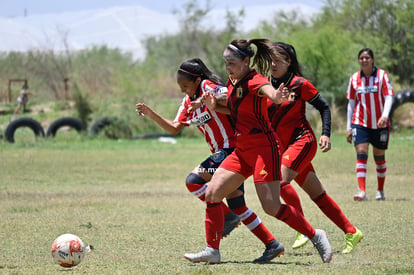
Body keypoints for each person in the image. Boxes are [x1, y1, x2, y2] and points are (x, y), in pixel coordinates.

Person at [184, 39, 333, 264]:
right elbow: (232, 109)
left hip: (265, 149)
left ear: (246, 61)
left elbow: (269, 92)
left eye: (231, 62)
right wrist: (214, 105)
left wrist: (277, 96)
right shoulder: (234, 81)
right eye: (225, 62)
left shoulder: (256, 81)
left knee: (272, 207)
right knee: (213, 194)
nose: (227, 66)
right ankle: (212, 250)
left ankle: (315, 234)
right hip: (242, 150)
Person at [136, 58, 285, 263]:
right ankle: (272, 244)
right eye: (180, 87)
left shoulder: (209, 88)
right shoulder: (188, 102)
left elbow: (234, 99)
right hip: (224, 155)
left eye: (186, 86)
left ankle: (225, 220)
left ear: (198, 80)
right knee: (238, 205)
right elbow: (174, 128)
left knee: (193, 181)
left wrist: (215, 99)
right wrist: (151, 114)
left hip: (232, 149)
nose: (183, 90)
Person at [263, 41, 363, 254]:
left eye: (278, 60)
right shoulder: (266, 86)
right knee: (318, 196)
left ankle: (301, 227)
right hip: (284, 148)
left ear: (288, 62)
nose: (273, 64)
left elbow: (324, 107)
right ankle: (351, 231)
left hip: (303, 141)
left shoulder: (300, 84)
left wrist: (326, 133)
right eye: (270, 60)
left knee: (280, 180)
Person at [346, 48, 394, 201]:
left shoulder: (381, 76)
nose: (364, 60)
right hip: (360, 122)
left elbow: (389, 97)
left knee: (379, 157)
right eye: (361, 58)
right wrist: (349, 127)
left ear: (372, 60)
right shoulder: (354, 78)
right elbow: (351, 103)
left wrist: (385, 116)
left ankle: (380, 190)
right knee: (361, 153)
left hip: (380, 124)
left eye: (367, 57)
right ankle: (362, 191)